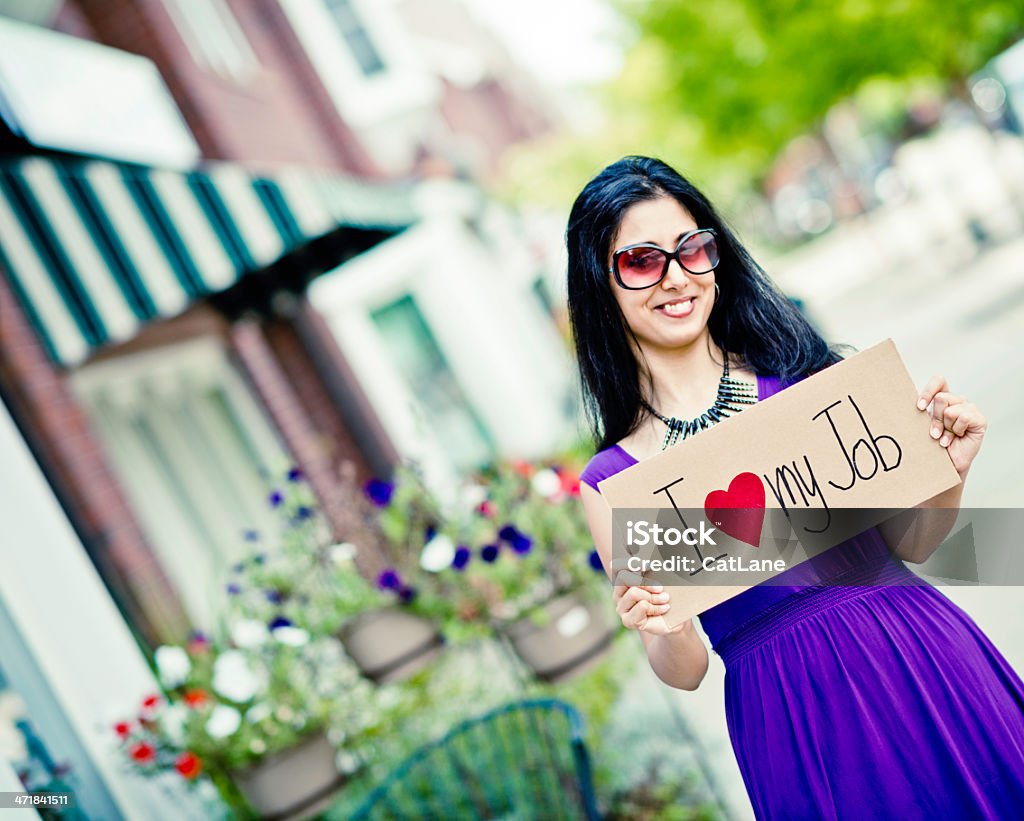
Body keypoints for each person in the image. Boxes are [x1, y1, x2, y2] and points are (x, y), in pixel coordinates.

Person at [569, 156, 1024, 819]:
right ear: (599, 282)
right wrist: (665, 626)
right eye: (642, 260)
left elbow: (917, 542)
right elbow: (685, 667)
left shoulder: (811, 385)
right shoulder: (616, 481)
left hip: (919, 658)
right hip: (791, 720)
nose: (677, 277)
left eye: (694, 249)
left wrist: (950, 476)